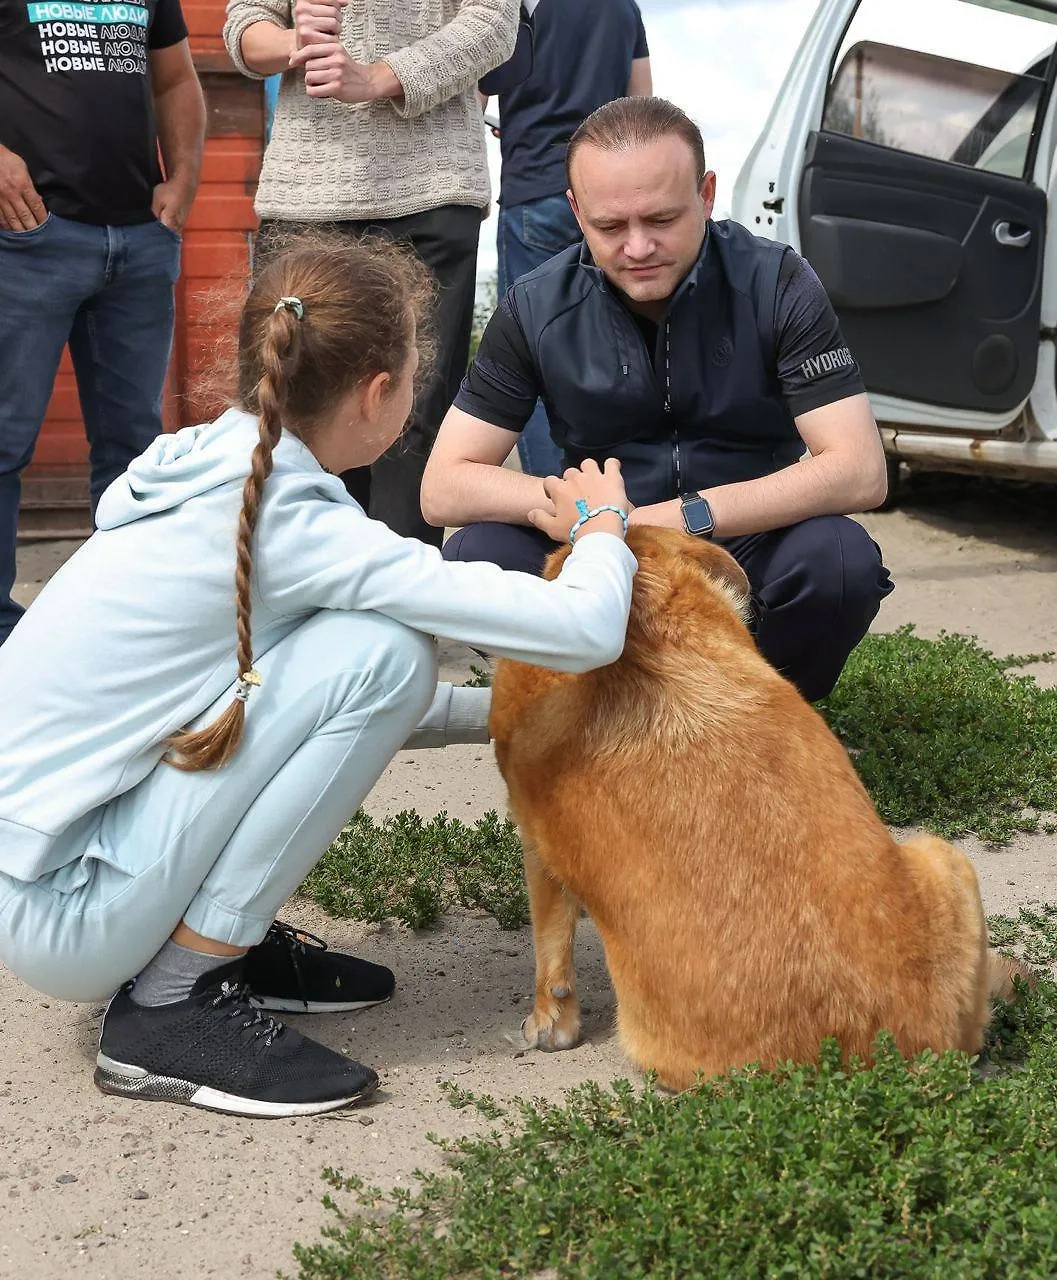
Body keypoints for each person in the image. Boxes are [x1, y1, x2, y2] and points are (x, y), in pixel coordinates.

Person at [0, 234, 636, 1118]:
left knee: (369, 656)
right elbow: (588, 628)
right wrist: (603, 526)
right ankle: (173, 1004)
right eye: (418, 375)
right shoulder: (297, 524)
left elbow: (307, 705)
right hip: (66, 911)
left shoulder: (204, 463)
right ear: (379, 391)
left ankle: (214, 942)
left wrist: (507, 711)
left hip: (44, 867)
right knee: (384, 651)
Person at [422, 97, 894, 703]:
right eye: (610, 227)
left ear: (706, 195)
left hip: (744, 537)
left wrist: (650, 519)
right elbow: (443, 488)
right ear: (575, 210)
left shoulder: (776, 282)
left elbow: (859, 470)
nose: (638, 247)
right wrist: (591, 515)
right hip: (594, 540)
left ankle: (766, 717)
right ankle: (596, 713)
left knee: (839, 560)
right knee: (476, 556)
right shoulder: (534, 306)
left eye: (662, 220)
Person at [223, 0, 520, 546]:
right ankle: (294, 610)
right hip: (305, 197)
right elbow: (244, 22)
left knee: (414, 419)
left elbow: (495, 25)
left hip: (429, 191)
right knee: (289, 415)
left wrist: (379, 77)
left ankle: (394, 622)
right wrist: (294, 43)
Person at [0, 2, 207, 648]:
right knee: (3, 442)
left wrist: (184, 180)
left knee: (134, 453)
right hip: (29, 241)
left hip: (138, 243)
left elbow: (175, 80)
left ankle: (124, 626)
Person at [486, 0, 651, 477]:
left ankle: (563, 501)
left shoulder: (516, 6)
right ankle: (623, 495)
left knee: (534, 355)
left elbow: (475, 90)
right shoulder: (624, 8)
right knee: (615, 349)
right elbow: (641, 105)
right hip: (610, 203)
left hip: (535, 191)